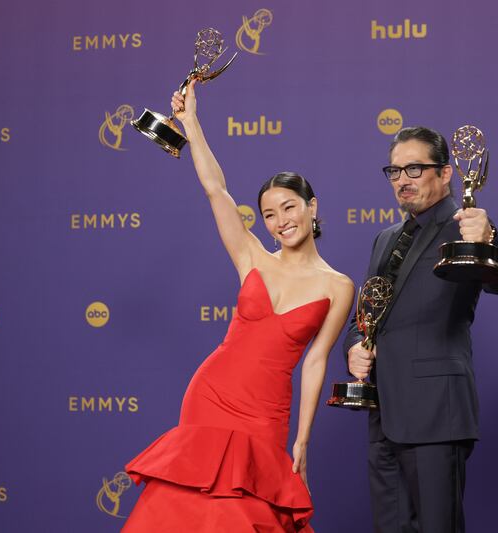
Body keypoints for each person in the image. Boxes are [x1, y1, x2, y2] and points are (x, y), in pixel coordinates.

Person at [123, 81, 354, 532]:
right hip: (212, 393)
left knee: (241, 511)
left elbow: (316, 362)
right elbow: (216, 190)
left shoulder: (338, 285)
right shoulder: (251, 256)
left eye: (289, 207)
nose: (281, 220)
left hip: (266, 411)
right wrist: (191, 121)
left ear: (312, 208)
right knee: (189, 510)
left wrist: (304, 438)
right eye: (270, 214)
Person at [343, 126, 498, 532]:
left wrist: (489, 237)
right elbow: (366, 316)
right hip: (383, 413)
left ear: (445, 174)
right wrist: (354, 346)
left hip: (436, 415)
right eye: (395, 171)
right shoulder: (384, 239)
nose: (402, 180)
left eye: (415, 169)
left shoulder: (466, 226)